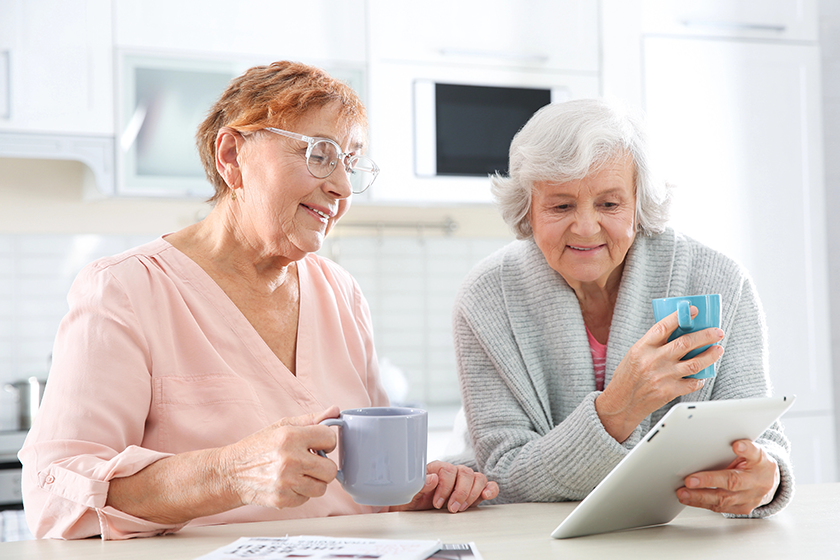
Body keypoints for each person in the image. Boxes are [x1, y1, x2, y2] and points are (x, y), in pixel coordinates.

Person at [19, 60, 498, 540]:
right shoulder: (124, 289)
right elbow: (57, 498)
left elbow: (362, 490)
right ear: (232, 156)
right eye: (320, 154)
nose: (342, 187)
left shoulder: (342, 294)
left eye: (350, 164)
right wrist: (230, 473)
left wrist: (414, 490)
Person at [452, 98, 791, 517]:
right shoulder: (485, 300)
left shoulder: (719, 281)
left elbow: (760, 439)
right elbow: (504, 476)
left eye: (609, 204)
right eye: (561, 205)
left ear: (638, 205)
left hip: (689, 535)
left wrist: (767, 479)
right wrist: (618, 409)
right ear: (528, 211)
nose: (586, 227)